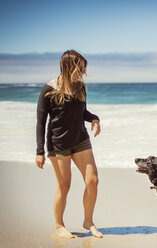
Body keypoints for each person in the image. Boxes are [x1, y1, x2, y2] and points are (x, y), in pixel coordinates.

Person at [35, 50, 103, 239]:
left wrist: (95, 119)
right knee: (64, 186)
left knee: (93, 181)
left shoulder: (80, 88)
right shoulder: (48, 90)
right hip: (58, 144)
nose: (82, 72)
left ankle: (88, 221)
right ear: (67, 66)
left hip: (80, 139)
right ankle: (59, 226)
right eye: (79, 68)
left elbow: (82, 113)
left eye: (83, 68)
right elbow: (41, 122)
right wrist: (39, 151)